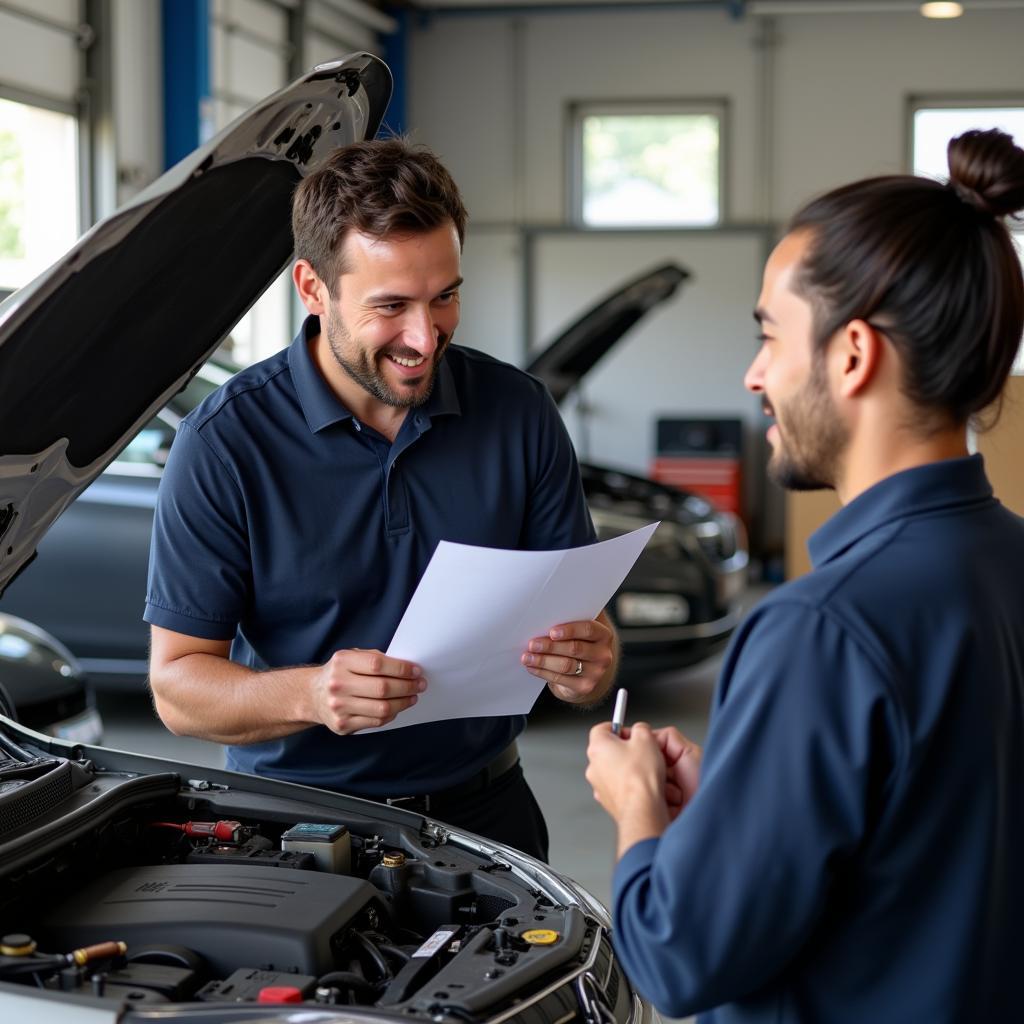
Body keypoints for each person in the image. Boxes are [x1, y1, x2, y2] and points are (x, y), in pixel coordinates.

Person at [585, 128, 1024, 1022]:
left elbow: (678, 956)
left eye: (769, 336)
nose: (754, 375)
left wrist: (641, 814)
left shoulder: (822, 629)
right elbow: (935, 838)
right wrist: (744, 798)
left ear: (852, 354)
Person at [145, 138, 618, 862]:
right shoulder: (224, 443)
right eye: (391, 306)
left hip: (489, 818)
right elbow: (178, 688)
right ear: (312, 287)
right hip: (294, 827)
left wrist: (590, 667)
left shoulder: (520, 414)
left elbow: (585, 642)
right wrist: (309, 695)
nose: (425, 338)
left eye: (445, 297)